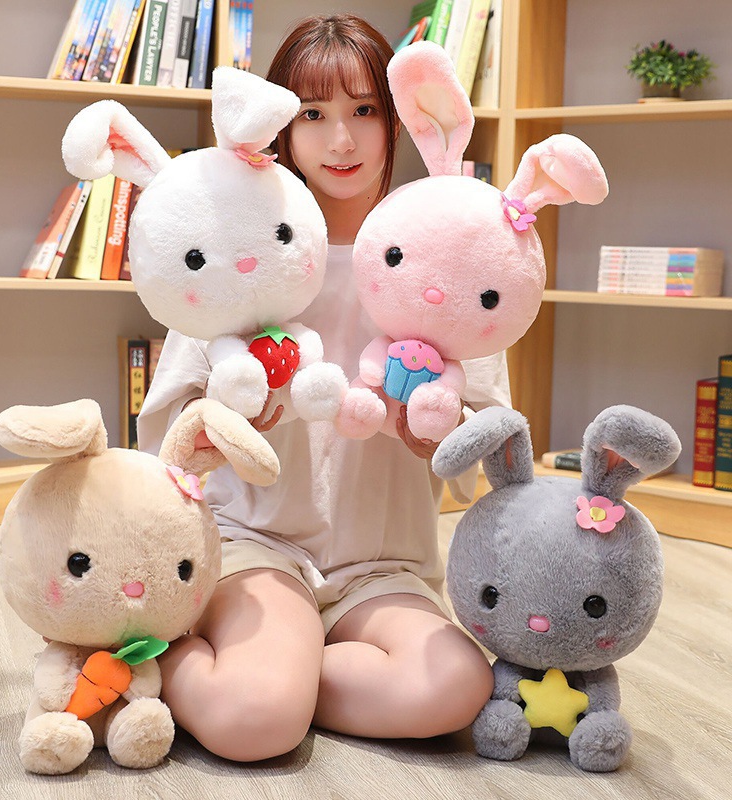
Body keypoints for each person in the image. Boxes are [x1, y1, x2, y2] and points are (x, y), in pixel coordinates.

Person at [138, 13, 511, 762]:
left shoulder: (444, 253)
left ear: (399, 118)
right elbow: (168, 432)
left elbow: (490, 435)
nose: (341, 140)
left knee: (456, 688)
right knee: (254, 722)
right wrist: (233, 419)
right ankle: (160, 657)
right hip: (255, 546)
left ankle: (288, 670)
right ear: (281, 126)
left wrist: (435, 432)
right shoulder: (240, 249)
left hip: (384, 566)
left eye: (364, 110)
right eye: (313, 114)